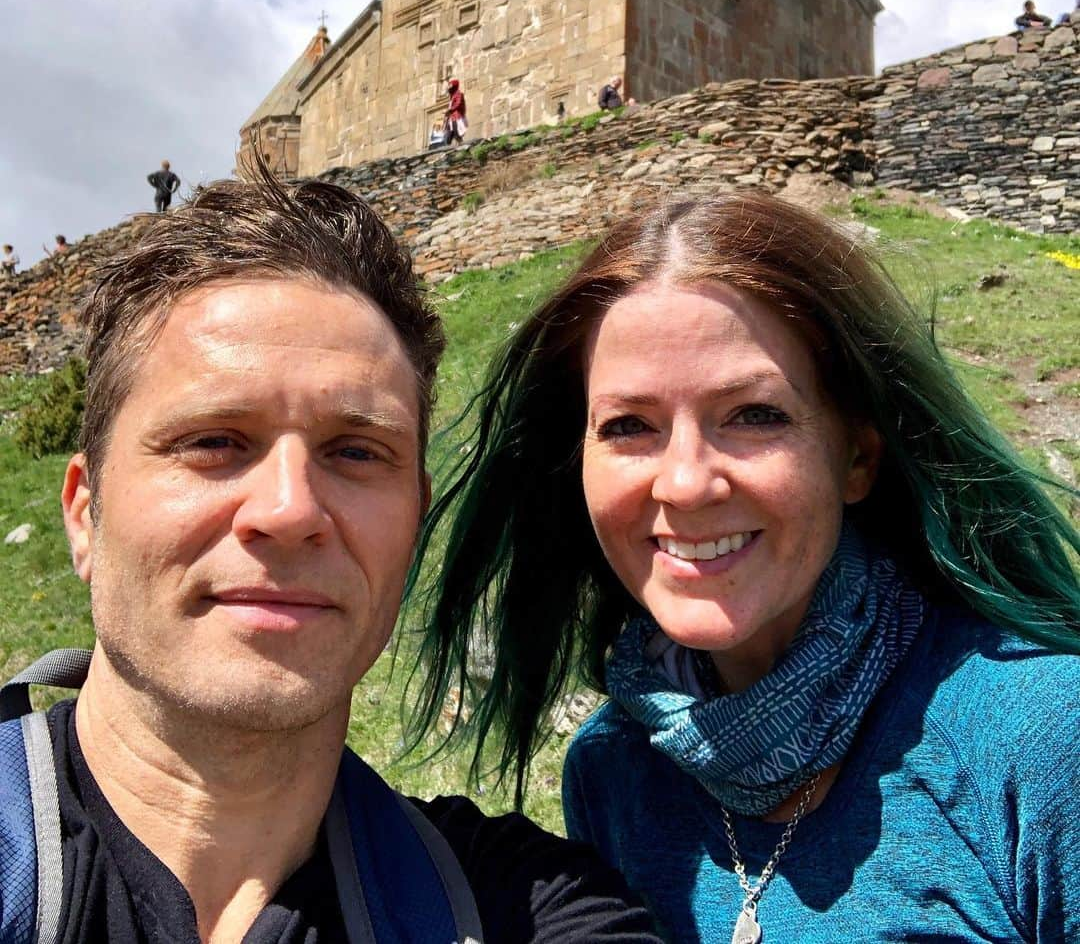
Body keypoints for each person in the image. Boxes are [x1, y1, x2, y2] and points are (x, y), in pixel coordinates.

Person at [0, 171, 665, 944]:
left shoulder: (522, 909)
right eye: (214, 441)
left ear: (414, 520)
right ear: (85, 512)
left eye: (355, 451)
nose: (289, 511)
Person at [413, 192, 1080, 942]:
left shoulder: (1043, 737)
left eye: (754, 414)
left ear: (856, 456)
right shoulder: (613, 774)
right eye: (630, 426)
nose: (687, 482)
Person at [445, 78, 468, 144]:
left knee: (457, 134)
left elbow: (458, 103)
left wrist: (450, 110)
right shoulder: (452, 96)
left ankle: (462, 147)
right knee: (448, 137)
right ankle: (448, 150)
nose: (449, 87)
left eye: (450, 85)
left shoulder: (459, 94)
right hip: (451, 118)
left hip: (456, 117)